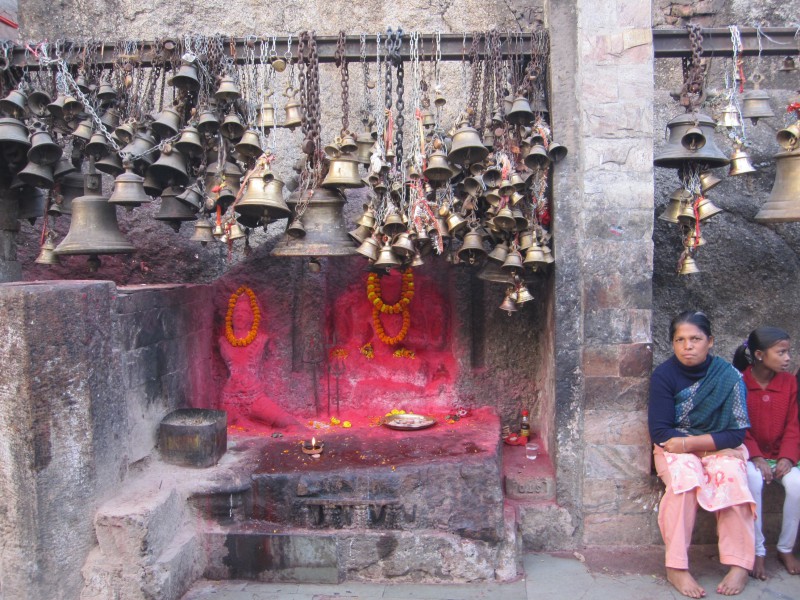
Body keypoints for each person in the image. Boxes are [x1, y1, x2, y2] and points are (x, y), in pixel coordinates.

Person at [649, 311, 755, 598]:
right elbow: (661, 433)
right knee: (684, 481)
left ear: (710, 341)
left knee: (732, 477)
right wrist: (702, 445)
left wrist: (690, 444)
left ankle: (740, 564)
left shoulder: (729, 377)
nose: (688, 346)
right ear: (672, 344)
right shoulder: (664, 375)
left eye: (695, 339)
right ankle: (676, 566)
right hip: (678, 450)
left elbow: (736, 434)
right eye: (680, 340)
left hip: (706, 446)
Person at [733, 327, 800, 579]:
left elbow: (794, 424)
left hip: (783, 454)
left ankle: (785, 547)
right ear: (760, 354)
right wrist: (757, 456)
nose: (788, 358)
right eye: (781, 352)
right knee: (752, 481)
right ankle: (758, 549)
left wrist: (787, 457)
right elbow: (739, 424)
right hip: (751, 454)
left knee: (797, 485)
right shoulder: (739, 381)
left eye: (788, 352)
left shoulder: (789, 382)